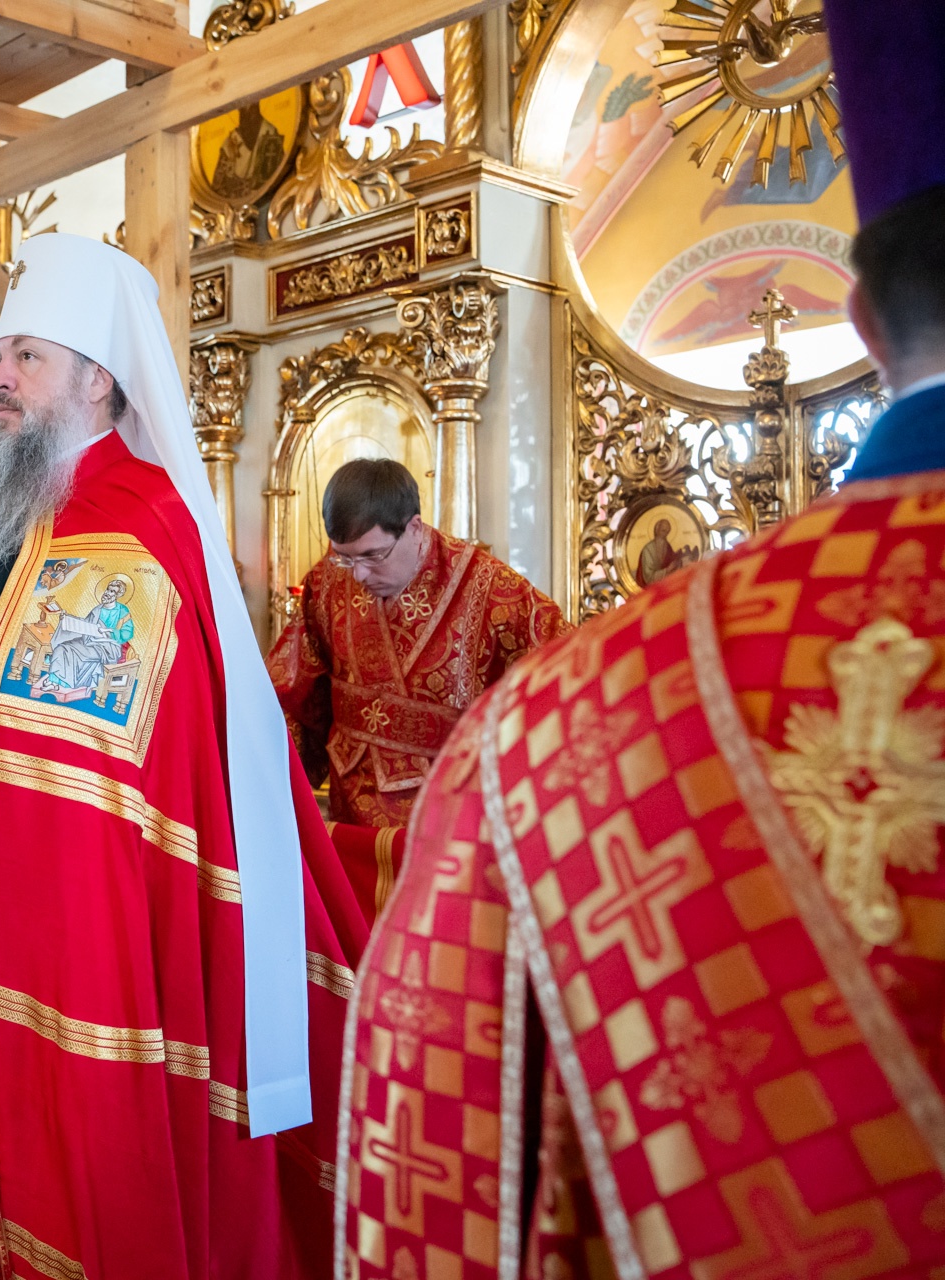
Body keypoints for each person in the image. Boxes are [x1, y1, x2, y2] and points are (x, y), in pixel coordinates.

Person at [336, 6, 945, 1271]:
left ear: (870, 322)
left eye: (368, 550)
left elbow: (439, 1190)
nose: (355, 574)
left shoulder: (558, 730)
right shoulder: (345, 608)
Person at [0, 234, 365, 1279]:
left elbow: (81, 719)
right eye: (0, 355)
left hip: (59, 922)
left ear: (98, 378)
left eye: (25, 357)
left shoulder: (141, 521)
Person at [266, 458, 567, 827]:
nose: (358, 574)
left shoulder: (493, 589)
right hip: (349, 823)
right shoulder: (327, 580)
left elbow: (564, 679)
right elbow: (293, 693)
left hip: (449, 822)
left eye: (373, 556)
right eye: (345, 558)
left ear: (413, 528)